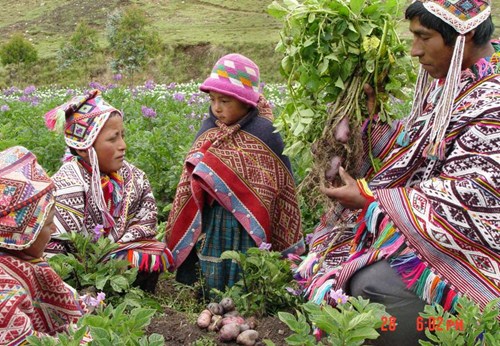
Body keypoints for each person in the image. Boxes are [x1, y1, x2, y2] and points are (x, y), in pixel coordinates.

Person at [295, 1, 499, 345]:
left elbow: (473, 195)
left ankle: (445, 332)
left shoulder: (492, 103)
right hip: (431, 231)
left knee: (368, 286)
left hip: (471, 251)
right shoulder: (453, 86)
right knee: (329, 245)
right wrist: (372, 119)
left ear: (463, 36)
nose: (415, 51)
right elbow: (415, 153)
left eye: (424, 37)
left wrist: (373, 201)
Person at [166, 53, 305, 292]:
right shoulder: (209, 129)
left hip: (248, 225)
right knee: (212, 262)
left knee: (244, 266)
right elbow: (191, 177)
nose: (217, 108)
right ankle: (208, 296)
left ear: (246, 102)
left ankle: (245, 296)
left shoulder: (265, 133)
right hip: (213, 217)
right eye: (212, 100)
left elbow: (278, 189)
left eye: (225, 101)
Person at [44, 89, 173, 293]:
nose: (123, 145)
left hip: (115, 253)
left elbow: (147, 221)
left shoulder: (134, 177)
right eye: (113, 139)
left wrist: (116, 248)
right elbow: (53, 246)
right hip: (79, 269)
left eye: (122, 136)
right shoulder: (68, 182)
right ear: (84, 147)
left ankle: (129, 293)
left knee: (153, 252)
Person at [0, 146, 89, 344]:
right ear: (24, 233)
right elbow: (21, 341)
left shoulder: (20, 261)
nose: (54, 228)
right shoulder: (4, 287)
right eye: (48, 224)